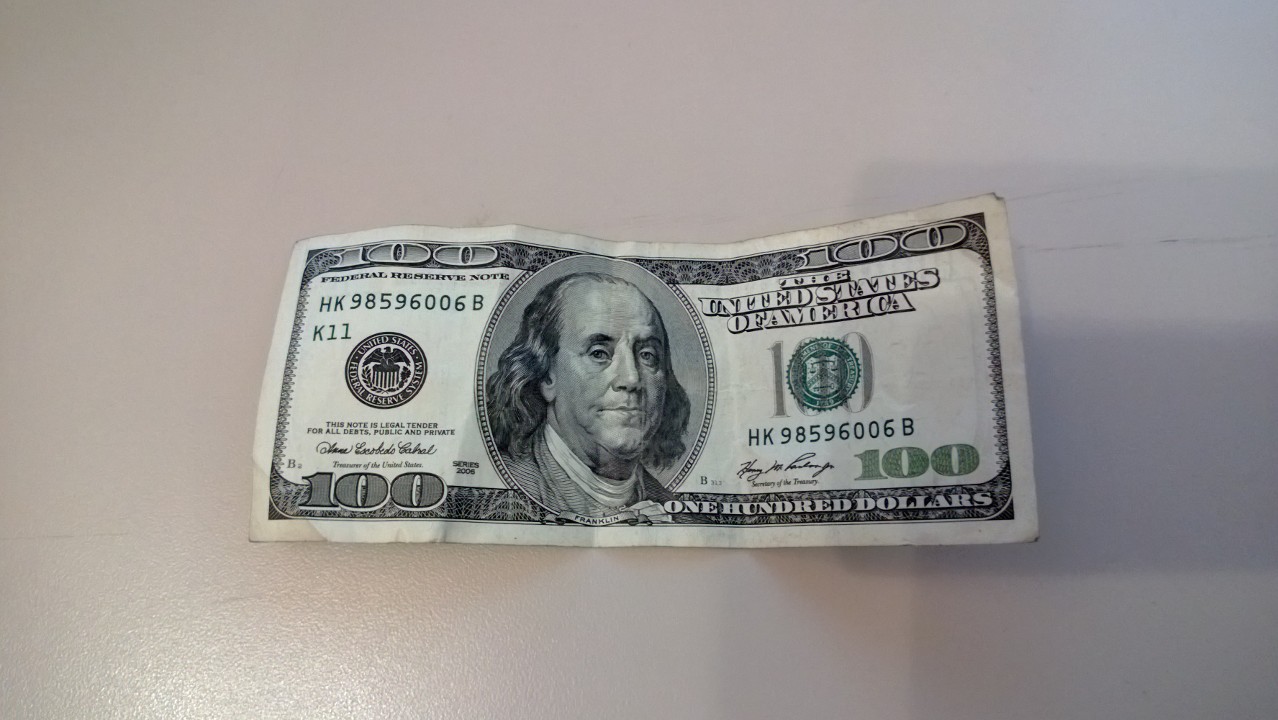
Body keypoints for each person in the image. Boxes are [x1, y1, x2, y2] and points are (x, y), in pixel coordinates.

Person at [486, 272, 691, 521]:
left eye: (647, 355)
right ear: (547, 375)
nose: (631, 378)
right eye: (598, 353)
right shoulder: (499, 502)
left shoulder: (684, 520)